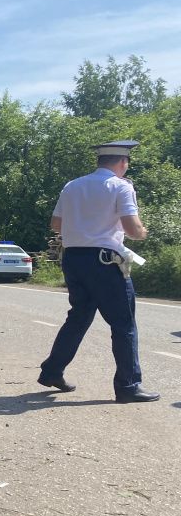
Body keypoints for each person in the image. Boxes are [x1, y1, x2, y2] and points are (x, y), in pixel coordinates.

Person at [38, 140, 158, 403]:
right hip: (105, 261)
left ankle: (52, 371)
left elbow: (56, 224)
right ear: (123, 162)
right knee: (123, 323)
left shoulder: (72, 186)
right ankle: (128, 386)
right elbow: (132, 229)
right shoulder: (121, 186)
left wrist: (83, 227)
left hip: (74, 259)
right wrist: (143, 231)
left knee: (78, 317)